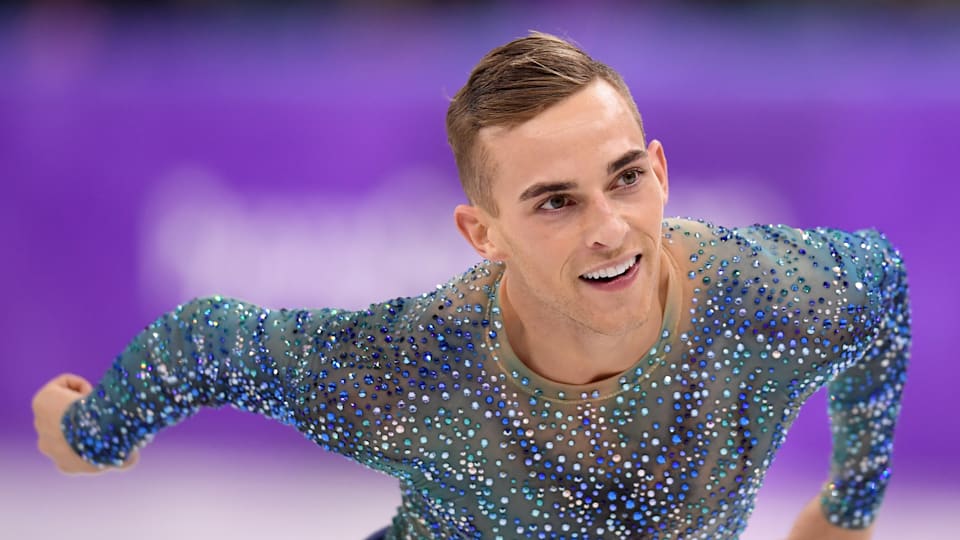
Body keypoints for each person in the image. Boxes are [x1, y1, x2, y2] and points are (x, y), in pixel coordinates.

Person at [32, 32, 910, 540]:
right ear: (480, 233)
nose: (608, 226)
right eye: (555, 202)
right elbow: (210, 341)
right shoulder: (413, 366)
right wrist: (92, 433)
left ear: (661, 170)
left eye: (624, 180)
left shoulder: (773, 293)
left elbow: (884, 294)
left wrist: (849, 505)